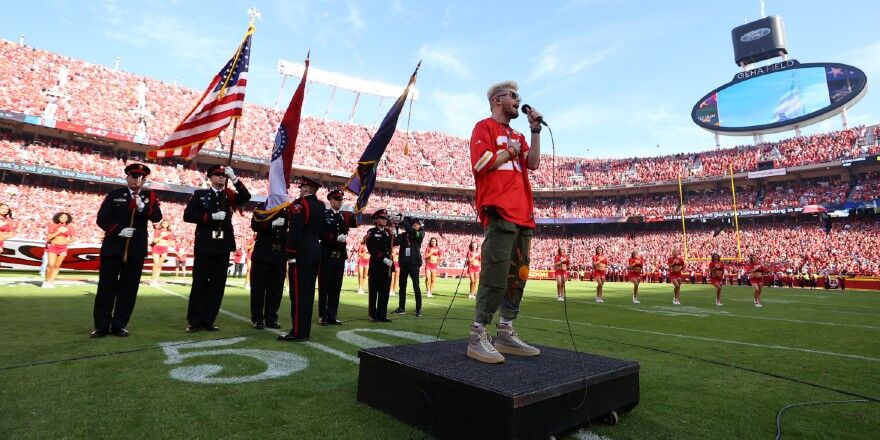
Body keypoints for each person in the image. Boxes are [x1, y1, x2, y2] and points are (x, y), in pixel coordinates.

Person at [466, 80, 543, 364]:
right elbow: (482, 163)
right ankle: (477, 334)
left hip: (523, 210)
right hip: (499, 208)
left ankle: (506, 330)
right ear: (497, 99)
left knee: (519, 274)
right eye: (513, 96)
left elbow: (532, 163)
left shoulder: (519, 134)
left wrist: (535, 131)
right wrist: (510, 151)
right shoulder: (483, 127)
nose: (517, 100)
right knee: (496, 274)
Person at [91, 163, 162, 337]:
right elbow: (101, 219)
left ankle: (119, 325)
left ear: (145, 180)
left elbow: (157, 217)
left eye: (140, 177)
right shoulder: (114, 195)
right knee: (106, 287)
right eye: (133, 176)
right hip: (113, 247)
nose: (136, 180)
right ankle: (101, 326)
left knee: (128, 289)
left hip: (136, 249)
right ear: (127, 177)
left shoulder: (149, 196)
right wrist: (118, 230)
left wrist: (142, 207)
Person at [183, 164, 250, 333]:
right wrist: (210, 217)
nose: (221, 177)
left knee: (217, 285)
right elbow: (188, 215)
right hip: (205, 244)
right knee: (200, 283)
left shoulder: (229, 194)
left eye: (223, 175)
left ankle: (209, 320)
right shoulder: (200, 194)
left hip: (222, 245)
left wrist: (234, 178)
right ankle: (194, 321)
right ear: (210, 177)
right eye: (217, 174)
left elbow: (246, 196)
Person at [279, 177, 326, 341]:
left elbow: (295, 231)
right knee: (308, 293)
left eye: (301, 188)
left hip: (301, 253)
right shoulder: (321, 206)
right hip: (314, 250)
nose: (300, 191)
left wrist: (291, 253)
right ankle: (304, 331)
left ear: (306, 189)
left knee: (298, 294)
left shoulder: (299, 205)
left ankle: (297, 331)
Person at [318, 188, 358, 326]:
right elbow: (321, 233)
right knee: (325, 286)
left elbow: (355, 220)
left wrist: (359, 206)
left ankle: (332, 315)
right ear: (331, 200)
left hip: (340, 256)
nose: (340, 202)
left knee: (336, 286)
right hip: (327, 255)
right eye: (337, 200)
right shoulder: (324, 215)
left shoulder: (344, 216)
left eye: (341, 200)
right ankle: (323, 315)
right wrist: (335, 238)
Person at [249, 203, 287, 330]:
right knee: (258, 289)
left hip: (279, 255)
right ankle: (257, 318)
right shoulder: (262, 207)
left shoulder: (287, 209)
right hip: (262, 255)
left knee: (276, 290)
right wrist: (272, 224)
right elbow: (254, 225)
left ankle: (271, 318)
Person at [392, 216, 425, 316]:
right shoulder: (404, 235)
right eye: (415, 223)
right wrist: (396, 231)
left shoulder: (420, 234)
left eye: (418, 224)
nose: (416, 225)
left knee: (416, 286)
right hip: (404, 263)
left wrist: (403, 221)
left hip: (414, 263)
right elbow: (395, 242)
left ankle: (418, 309)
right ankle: (402, 308)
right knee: (402, 287)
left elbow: (411, 231)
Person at [366, 209, 394, 322]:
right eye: (382, 218)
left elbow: (394, 243)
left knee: (385, 292)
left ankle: (382, 314)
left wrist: (395, 234)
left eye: (385, 218)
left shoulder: (388, 232)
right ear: (376, 220)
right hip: (377, 266)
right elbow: (372, 248)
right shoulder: (371, 232)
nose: (384, 220)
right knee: (374, 292)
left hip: (387, 268)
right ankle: (373, 314)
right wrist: (383, 259)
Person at [43, 212, 75, 288]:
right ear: (58, 218)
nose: (63, 219)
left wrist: (65, 241)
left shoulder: (70, 228)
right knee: (51, 264)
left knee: (57, 266)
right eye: (61, 217)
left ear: (68, 219)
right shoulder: (53, 225)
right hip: (53, 246)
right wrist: (59, 231)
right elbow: (49, 237)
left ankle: (51, 282)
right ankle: (46, 281)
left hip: (63, 248)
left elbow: (73, 239)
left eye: (65, 217)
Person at [149, 220, 174, 286]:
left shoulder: (170, 232)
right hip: (156, 248)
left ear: (168, 225)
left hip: (164, 249)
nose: (165, 224)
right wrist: (162, 236)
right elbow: (155, 241)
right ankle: (152, 280)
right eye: (164, 223)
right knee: (156, 264)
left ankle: (156, 280)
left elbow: (172, 243)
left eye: (166, 223)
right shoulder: (157, 230)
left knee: (160, 265)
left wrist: (170, 243)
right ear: (161, 224)